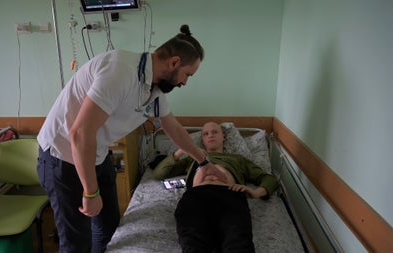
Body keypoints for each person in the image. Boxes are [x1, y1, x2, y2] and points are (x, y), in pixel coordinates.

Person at [36, 25, 228, 253]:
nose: (185, 83)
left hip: (96, 153)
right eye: (188, 75)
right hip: (63, 156)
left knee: (108, 227)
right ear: (174, 62)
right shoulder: (120, 71)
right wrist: (90, 192)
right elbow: (79, 133)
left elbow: (175, 130)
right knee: (76, 242)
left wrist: (203, 162)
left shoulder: (155, 90)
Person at [153, 122, 279, 253]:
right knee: (193, 244)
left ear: (224, 136)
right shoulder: (193, 158)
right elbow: (159, 173)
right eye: (205, 134)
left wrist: (256, 192)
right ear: (202, 139)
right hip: (196, 197)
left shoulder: (238, 159)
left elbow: (269, 179)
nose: (210, 136)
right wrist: (183, 150)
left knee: (238, 244)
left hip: (230, 195)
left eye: (215, 132)